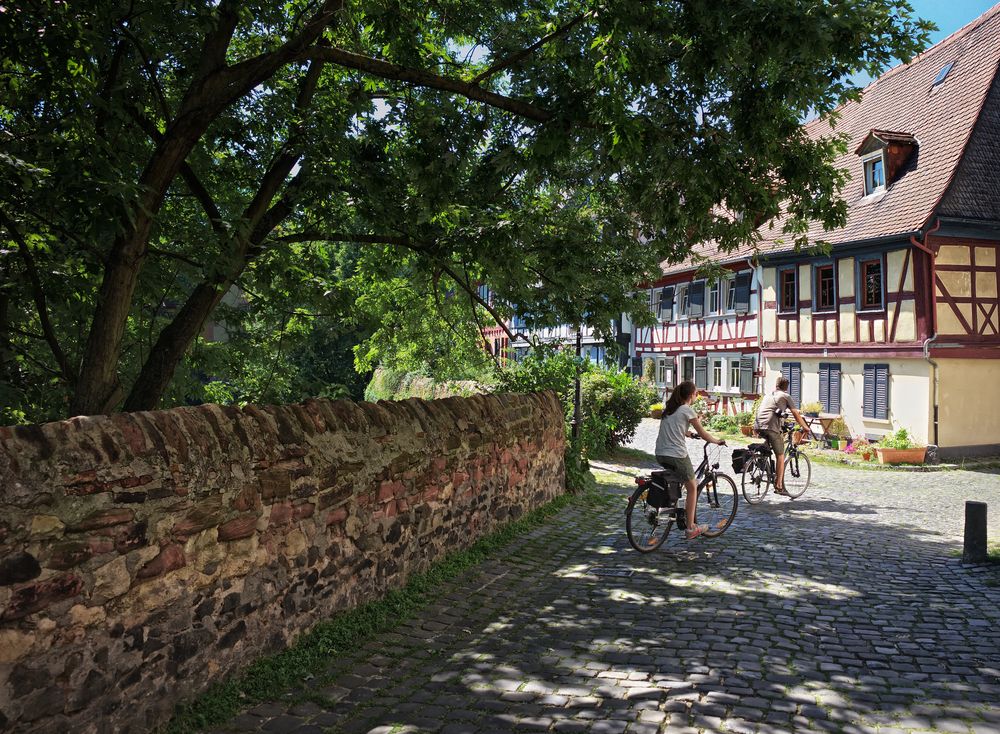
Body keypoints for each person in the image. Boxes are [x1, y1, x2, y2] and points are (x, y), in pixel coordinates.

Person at [654, 381, 725, 540]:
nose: (696, 396)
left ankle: (674, 508)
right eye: (695, 394)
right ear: (691, 395)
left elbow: (677, 427)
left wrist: (689, 434)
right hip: (676, 455)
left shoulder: (670, 410)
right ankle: (691, 527)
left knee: (679, 480)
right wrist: (717, 441)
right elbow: (704, 433)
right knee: (692, 486)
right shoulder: (687, 410)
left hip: (660, 454)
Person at [753, 376, 811, 495]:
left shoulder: (768, 395)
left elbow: (774, 411)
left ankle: (764, 464)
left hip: (758, 425)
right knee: (780, 455)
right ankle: (779, 486)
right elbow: (795, 413)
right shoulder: (785, 396)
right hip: (770, 427)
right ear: (786, 387)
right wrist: (805, 427)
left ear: (776, 385)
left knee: (770, 446)